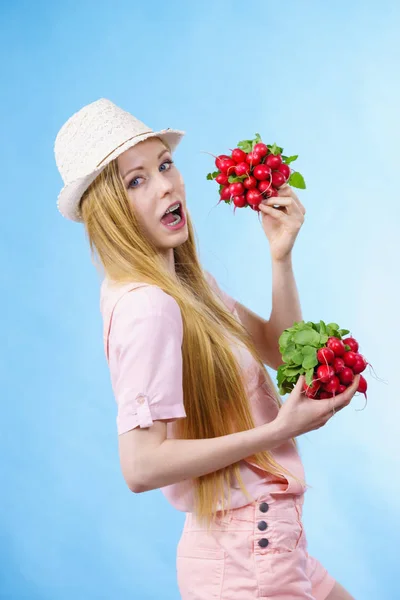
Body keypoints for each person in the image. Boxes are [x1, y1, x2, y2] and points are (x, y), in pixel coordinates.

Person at [54, 98, 359, 600]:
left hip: (272, 541)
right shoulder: (147, 305)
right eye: (137, 180)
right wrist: (279, 430)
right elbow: (140, 466)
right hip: (246, 557)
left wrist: (280, 257)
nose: (167, 184)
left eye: (164, 164)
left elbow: (279, 353)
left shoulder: (186, 284)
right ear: (109, 211)